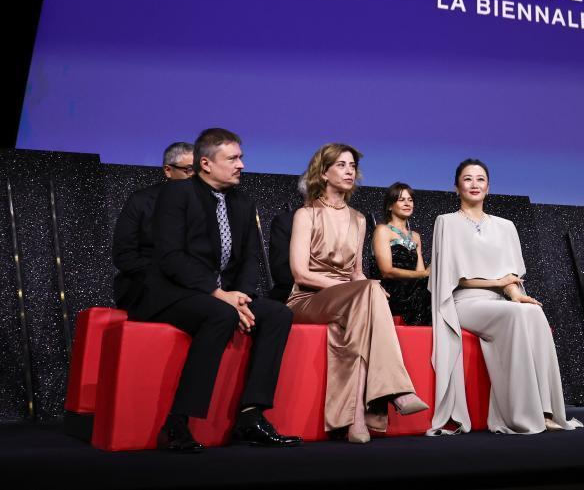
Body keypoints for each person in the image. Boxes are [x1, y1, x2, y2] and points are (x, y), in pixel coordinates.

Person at [140, 128, 301, 452]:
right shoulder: (177, 194)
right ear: (206, 164)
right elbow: (171, 257)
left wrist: (240, 296)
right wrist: (218, 294)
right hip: (177, 292)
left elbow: (250, 257)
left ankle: (251, 416)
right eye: (233, 158)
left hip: (226, 295)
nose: (241, 165)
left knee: (277, 314)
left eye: (241, 157)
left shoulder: (243, 202)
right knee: (220, 316)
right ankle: (177, 423)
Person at [429, 159, 582, 435]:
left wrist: (515, 294)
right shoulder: (446, 222)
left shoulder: (505, 226)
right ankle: (523, 415)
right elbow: (451, 277)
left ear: (488, 187)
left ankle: (546, 410)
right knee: (514, 316)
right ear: (456, 187)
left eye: (480, 179)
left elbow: (511, 274)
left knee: (533, 312)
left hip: (500, 300)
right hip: (466, 301)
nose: (474, 184)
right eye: (467, 179)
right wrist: (498, 283)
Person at [287, 143, 427, 443]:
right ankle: (395, 391)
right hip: (309, 298)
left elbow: (356, 273)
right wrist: (359, 289)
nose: (349, 171)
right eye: (341, 165)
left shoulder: (359, 219)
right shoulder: (306, 215)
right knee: (368, 291)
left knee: (369, 296)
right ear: (323, 173)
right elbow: (300, 274)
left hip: (350, 299)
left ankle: (355, 421)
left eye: (352, 166)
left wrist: (367, 287)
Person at [112, 141, 194, 312]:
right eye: (189, 170)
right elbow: (124, 256)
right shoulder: (140, 201)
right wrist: (172, 273)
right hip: (145, 284)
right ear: (168, 170)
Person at [371, 182, 430, 325]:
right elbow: (386, 271)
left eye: (410, 200)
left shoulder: (415, 236)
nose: (407, 203)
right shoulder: (382, 230)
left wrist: (429, 273)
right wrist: (424, 274)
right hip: (391, 291)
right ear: (390, 206)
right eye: (401, 199)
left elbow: (420, 272)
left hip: (413, 290)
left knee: (432, 288)